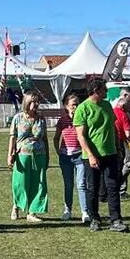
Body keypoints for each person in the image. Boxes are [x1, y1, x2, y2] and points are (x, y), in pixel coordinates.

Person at [73, 77, 130, 232]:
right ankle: (94, 219)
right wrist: (91, 155)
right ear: (96, 91)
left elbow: (111, 128)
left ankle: (116, 220)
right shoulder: (83, 109)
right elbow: (81, 136)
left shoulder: (106, 105)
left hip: (111, 153)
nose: (106, 92)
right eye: (104, 89)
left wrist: (118, 148)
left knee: (113, 187)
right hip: (92, 156)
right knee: (93, 188)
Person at [7, 93, 50, 222]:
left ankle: (33, 212)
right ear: (26, 103)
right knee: (20, 183)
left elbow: (45, 138)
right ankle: (16, 206)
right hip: (22, 155)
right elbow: (12, 137)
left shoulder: (41, 119)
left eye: (37, 102)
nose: (36, 104)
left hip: (39, 154)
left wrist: (47, 155)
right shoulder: (18, 118)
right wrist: (10, 154)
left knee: (38, 183)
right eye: (33, 102)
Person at [54, 90, 89, 223]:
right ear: (66, 106)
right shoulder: (62, 120)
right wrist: (58, 151)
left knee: (81, 184)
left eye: (77, 104)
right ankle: (67, 210)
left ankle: (84, 211)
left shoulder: (82, 118)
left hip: (80, 156)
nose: (75, 107)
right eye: (73, 104)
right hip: (65, 157)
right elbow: (56, 138)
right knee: (68, 184)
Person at [112, 88, 130, 196]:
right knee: (128, 162)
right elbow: (126, 131)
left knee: (123, 164)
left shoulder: (117, 108)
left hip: (120, 139)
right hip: (122, 140)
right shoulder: (121, 110)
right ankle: (119, 187)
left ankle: (120, 189)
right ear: (125, 95)